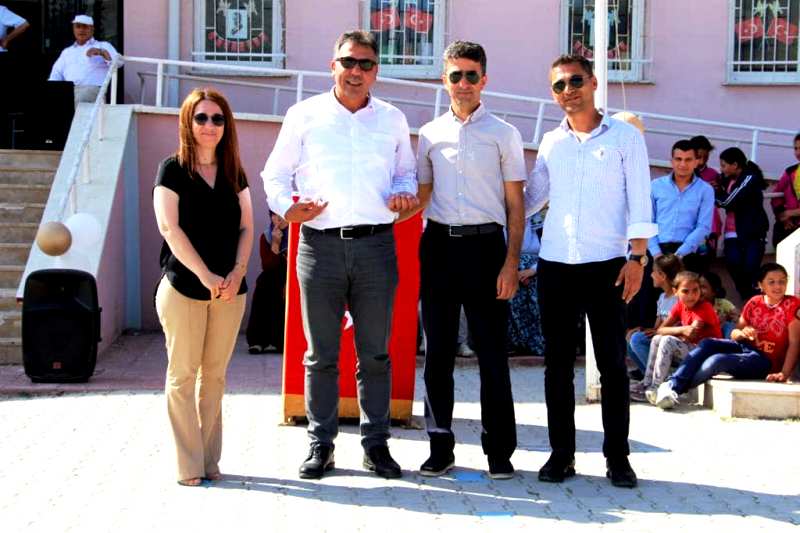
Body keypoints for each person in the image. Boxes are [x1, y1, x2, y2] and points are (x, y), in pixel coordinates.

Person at [261, 30, 418, 480]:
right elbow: (274, 174)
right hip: (319, 246)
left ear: (376, 72)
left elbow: (406, 174)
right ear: (333, 66)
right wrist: (287, 207)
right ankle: (321, 445)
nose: (356, 71)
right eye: (348, 62)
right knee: (321, 355)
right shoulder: (303, 115)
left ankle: (376, 445)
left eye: (365, 64)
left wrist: (402, 194)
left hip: (375, 246)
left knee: (376, 355)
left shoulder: (392, 119)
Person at [526, 54, 657, 488]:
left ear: (594, 82)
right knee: (557, 366)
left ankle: (618, 458)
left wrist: (638, 257)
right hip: (556, 265)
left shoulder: (625, 137)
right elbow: (532, 197)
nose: (569, 91)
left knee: (613, 366)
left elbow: (640, 197)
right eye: (559, 85)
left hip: (608, 267)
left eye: (576, 81)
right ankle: (561, 455)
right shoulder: (551, 142)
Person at [414, 40, 525, 480]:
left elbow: (515, 205)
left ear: (484, 79)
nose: (463, 83)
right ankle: (440, 447)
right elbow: (420, 196)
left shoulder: (504, 133)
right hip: (439, 248)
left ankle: (499, 451)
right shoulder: (428, 134)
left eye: (471, 75)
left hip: (487, 250)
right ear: (444, 80)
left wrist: (511, 263)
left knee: (492, 355)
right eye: (456, 75)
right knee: (437, 354)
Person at [153, 88, 254, 486]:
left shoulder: (234, 172)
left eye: (217, 118)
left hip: (229, 291)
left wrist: (237, 272)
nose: (209, 125)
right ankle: (188, 465)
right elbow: (169, 227)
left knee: (214, 378)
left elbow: (247, 226)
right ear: (188, 122)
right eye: (201, 117)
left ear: (226, 125)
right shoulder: (172, 169)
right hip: (183, 289)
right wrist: (204, 274)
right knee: (182, 377)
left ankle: (210, 461)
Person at [656, 263, 800, 409]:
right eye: (771, 282)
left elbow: (795, 342)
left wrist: (784, 373)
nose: (778, 286)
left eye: (782, 281)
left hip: (764, 361)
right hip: (744, 347)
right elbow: (734, 333)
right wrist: (743, 333)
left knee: (718, 360)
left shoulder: (792, 304)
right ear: (760, 285)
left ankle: (674, 388)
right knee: (707, 343)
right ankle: (671, 385)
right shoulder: (754, 302)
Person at [636, 271, 721, 404]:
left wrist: (679, 332)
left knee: (667, 340)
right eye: (685, 291)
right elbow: (660, 330)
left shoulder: (704, 307)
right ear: (676, 292)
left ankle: (656, 387)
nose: (691, 296)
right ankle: (647, 384)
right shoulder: (680, 306)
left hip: (707, 353)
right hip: (693, 350)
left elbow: (692, 332)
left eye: (695, 290)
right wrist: (681, 330)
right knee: (657, 339)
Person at [648, 139, 714, 273]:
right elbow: (648, 221)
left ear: (696, 162)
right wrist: (656, 254)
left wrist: (679, 255)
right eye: (678, 159)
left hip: (688, 254)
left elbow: (704, 226)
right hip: (656, 251)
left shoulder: (705, 190)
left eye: (688, 160)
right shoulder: (655, 186)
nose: (683, 164)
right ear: (671, 161)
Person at [716, 147, 769, 301]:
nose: (721, 169)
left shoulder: (749, 178)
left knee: (751, 269)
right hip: (731, 232)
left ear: (735, 165)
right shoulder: (726, 179)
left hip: (752, 232)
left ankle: (754, 300)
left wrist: (715, 194)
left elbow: (727, 202)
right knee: (733, 264)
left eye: (724, 165)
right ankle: (748, 299)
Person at [627, 253, 682, 375]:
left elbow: (678, 326)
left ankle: (662, 376)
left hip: (673, 342)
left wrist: (657, 332)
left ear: (662, 275)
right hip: (660, 337)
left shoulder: (679, 298)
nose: (651, 275)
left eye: (653, 271)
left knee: (637, 339)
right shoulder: (662, 297)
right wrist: (641, 330)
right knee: (631, 338)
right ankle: (648, 375)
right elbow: (657, 327)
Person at [48, 15, 122, 106]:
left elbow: (119, 63)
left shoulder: (103, 45)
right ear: (73, 29)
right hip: (69, 89)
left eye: (85, 27)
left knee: (81, 98)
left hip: (91, 89)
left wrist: (102, 52)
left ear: (92, 29)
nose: (81, 30)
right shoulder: (67, 51)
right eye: (78, 27)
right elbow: (56, 74)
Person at [246, 212, 288, 354]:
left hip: (292, 276)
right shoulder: (266, 236)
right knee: (264, 285)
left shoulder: (298, 235)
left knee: (285, 292)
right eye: (274, 215)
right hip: (272, 275)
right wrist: (275, 243)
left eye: (282, 214)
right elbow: (267, 265)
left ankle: (281, 341)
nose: (278, 219)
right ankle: (258, 341)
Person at [507, 213, 545, 356]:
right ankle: (516, 343)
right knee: (510, 294)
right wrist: (514, 272)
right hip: (509, 267)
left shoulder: (538, 220)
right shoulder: (502, 217)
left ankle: (539, 343)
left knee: (538, 296)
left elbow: (548, 252)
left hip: (538, 267)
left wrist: (532, 271)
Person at [691, 135, 723, 262]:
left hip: (710, 222)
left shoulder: (713, 174)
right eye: (699, 157)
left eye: (706, 157)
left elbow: (720, 199)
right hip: (689, 221)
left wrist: (717, 189)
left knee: (706, 257)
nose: (702, 161)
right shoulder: (683, 172)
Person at [770, 133, 800, 247]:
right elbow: (775, 197)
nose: (798, 152)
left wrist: (791, 213)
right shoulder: (790, 172)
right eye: (796, 148)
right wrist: (782, 216)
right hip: (789, 227)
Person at [699, 271, 738, 340]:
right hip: (706, 338)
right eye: (698, 287)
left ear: (714, 291)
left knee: (728, 325)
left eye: (703, 287)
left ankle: (729, 343)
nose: (699, 290)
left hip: (723, 336)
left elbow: (737, 316)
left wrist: (730, 318)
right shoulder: (696, 305)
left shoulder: (723, 303)